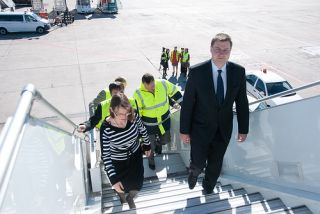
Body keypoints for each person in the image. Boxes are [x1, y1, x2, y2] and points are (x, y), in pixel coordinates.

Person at [180, 33, 249, 194]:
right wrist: (184, 130)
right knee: (198, 160)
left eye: (225, 50)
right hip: (200, 129)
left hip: (223, 129)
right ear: (211, 49)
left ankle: (208, 186)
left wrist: (243, 128)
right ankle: (194, 173)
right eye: (217, 49)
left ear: (230, 51)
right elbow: (188, 103)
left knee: (216, 162)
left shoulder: (238, 72)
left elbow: (242, 102)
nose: (221, 53)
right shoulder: (197, 72)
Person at [100, 94, 151, 209]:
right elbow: (106, 156)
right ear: (112, 110)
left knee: (138, 184)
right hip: (118, 161)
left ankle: (130, 198)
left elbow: (142, 129)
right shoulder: (106, 128)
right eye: (120, 114)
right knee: (121, 186)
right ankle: (123, 198)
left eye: (126, 112)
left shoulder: (132, 116)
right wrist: (113, 179)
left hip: (135, 156)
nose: (124, 117)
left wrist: (147, 144)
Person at [133, 73, 183, 170]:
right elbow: (137, 113)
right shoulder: (138, 93)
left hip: (164, 122)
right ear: (144, 84)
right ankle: (151, 161)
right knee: (150, 146)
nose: (153, 88)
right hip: (149, 126)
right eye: (150, 87)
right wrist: (138, 129)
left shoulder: (163, 83)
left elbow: (174, 92)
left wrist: (183, 103)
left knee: (166, 140)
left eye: (153, 85)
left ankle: (158, 144)